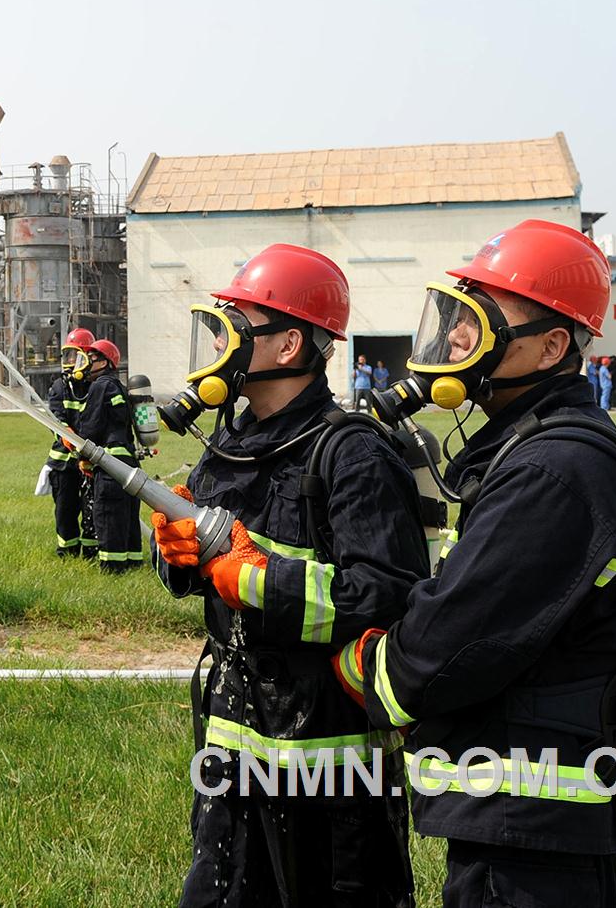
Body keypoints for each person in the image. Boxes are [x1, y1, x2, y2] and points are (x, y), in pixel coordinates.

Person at [329, 219, 616, 908]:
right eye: (456, 314)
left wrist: (367, 664)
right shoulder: (540, 452)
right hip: (534, 829)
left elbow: (445, 648)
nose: (454, 336)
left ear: (551, 346)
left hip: (528, 839)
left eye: (480, 317)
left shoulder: (554, 472)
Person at [148, 243, 425, 908]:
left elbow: (386, 597)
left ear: (286, 344)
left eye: (236, 325)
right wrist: (176, 556)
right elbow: (206, 580)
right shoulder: (225, 449)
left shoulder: (353, 454)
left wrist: (254, 576)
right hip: (232, 746)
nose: (219, 342)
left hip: (334, 772)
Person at [72, 338, 140, 573]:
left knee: (108, 515)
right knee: (127, 516)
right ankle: (132, 562)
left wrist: (83, 456)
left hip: (110, 464)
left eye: (92, 359)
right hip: (129, 463)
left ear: (106, 362)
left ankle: (113, 568)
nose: (87, 364)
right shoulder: (119, 386)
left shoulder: (100, 386)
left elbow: (90, 427)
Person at [45, 328, 99, 559]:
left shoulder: (98, 387)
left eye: (75, 356)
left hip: (89, 462)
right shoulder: (59, 386)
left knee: (92, 508)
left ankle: (90, 550)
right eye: (67, 356)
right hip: (63, 463)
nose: (70, 363)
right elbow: (55, 418)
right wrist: (65, 434)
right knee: (65, 509)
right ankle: (67, 551)